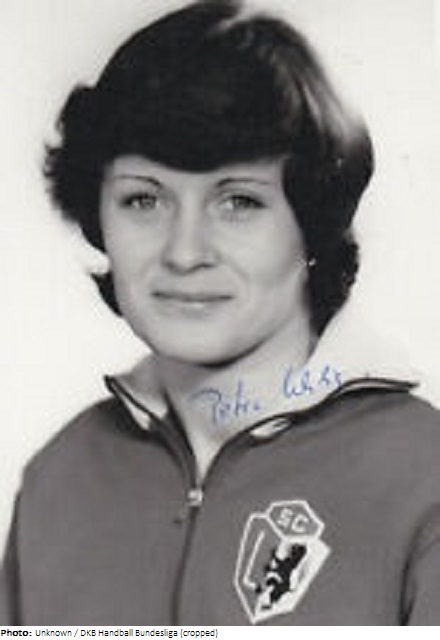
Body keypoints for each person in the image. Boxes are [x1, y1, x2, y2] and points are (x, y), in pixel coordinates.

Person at [1, 0, 439, 626]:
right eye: (143, 199)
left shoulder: (422, 477)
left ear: (312, 224)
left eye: (238, 202)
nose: (184, 253)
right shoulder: (60, 478)